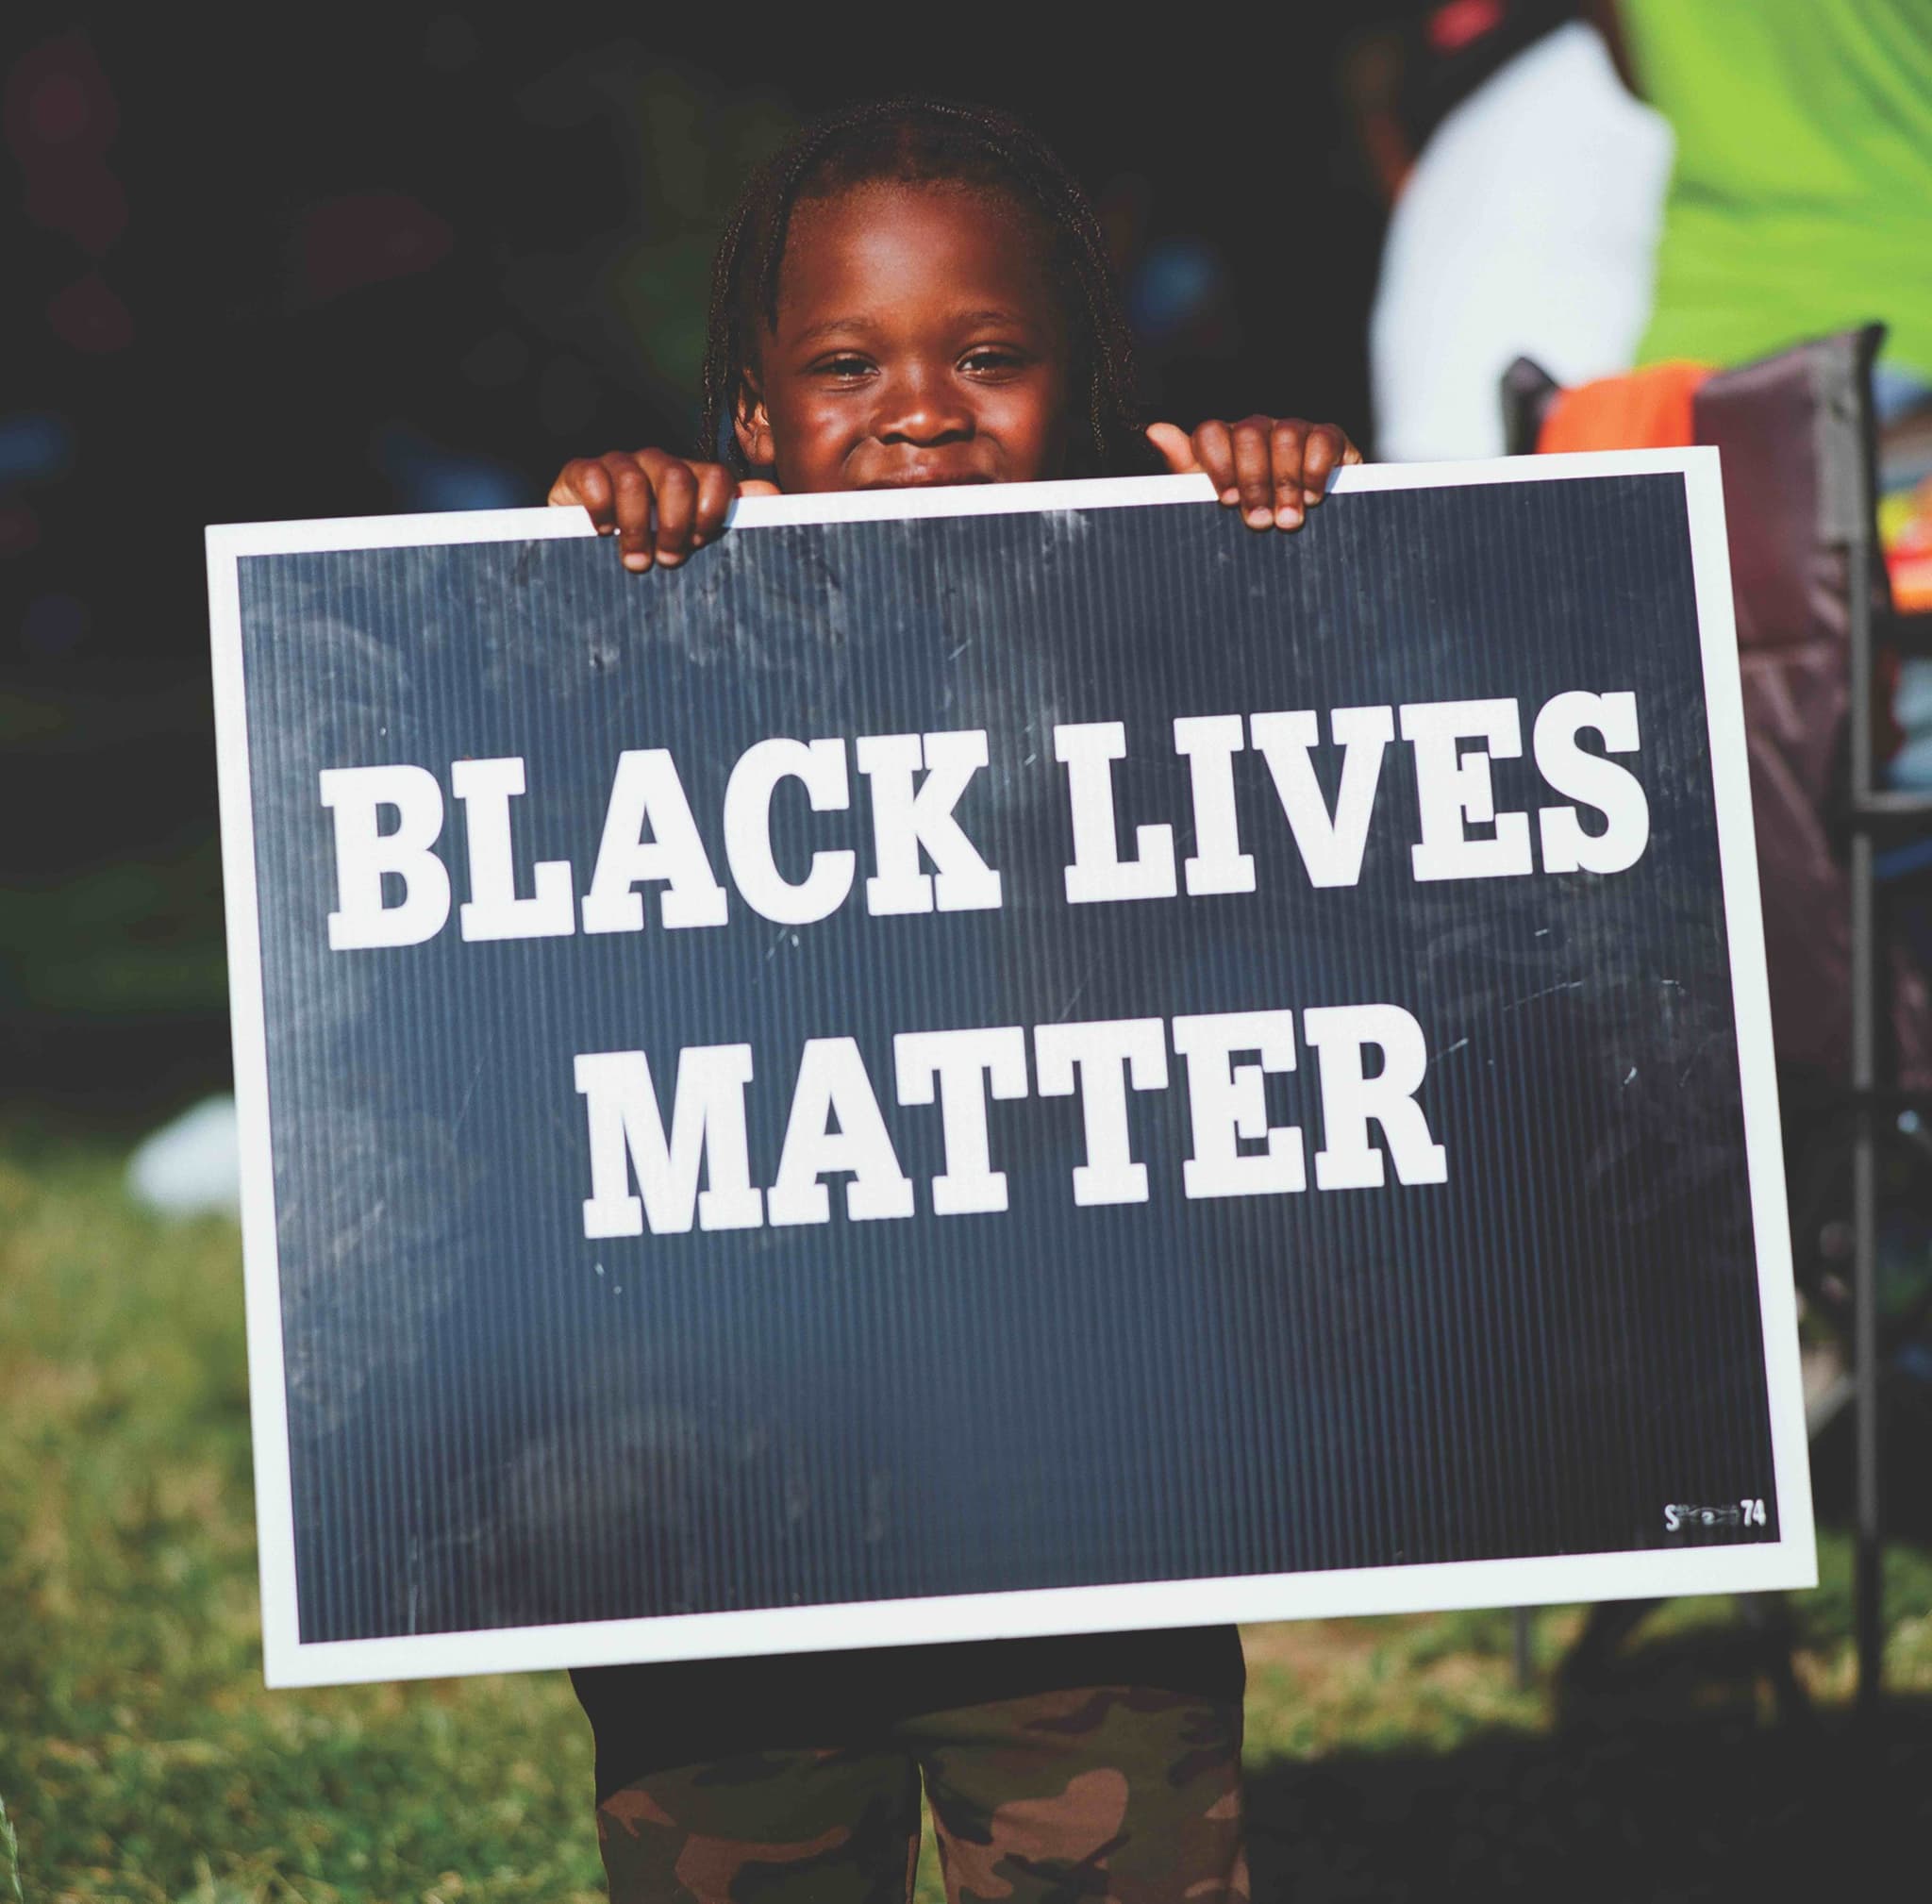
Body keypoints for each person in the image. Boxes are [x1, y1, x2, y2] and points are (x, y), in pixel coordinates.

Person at [545, 96, 1360, 1904]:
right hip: (729, 1525)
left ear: (1078, 384)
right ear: (751, 416)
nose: (921, 406)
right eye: (846, 364)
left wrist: (1283, 526)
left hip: (1087, 1507)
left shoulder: (1157, 618)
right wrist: (563, 577)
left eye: (989, 353)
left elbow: (1368, 800)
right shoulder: (654, 630)